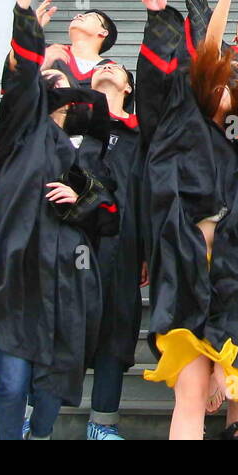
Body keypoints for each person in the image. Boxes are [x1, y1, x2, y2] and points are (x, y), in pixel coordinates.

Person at [0, 0, 120, 440]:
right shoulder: (18, 136)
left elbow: (108, 208)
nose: (52, 86)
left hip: (70, 277)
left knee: (52, 386)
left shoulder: (86, 150)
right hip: (19, 270)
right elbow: (23, 80)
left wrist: (79, 194)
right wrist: (24, 11)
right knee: (11, 383)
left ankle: (41, 433)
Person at [136, 0, 238, 440]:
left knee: (235, 338)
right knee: (190, 393)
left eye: (229, 86)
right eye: (216, 82)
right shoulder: (182, 122)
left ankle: (230, 383)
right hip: (183, 254)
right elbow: (210, 49)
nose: (223, 86)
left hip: (230, 256)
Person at [79, 58, 146, 440]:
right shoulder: (71, 125)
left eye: (116, 67)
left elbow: (148, 193)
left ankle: (102, 423)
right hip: (68, 241)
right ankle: (35, 417)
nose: (106, 67)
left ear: (129, 87)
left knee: (116, 327)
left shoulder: (139, 134)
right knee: (60, 323)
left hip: (121, 242)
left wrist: (146, 250)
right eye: (101, 65)